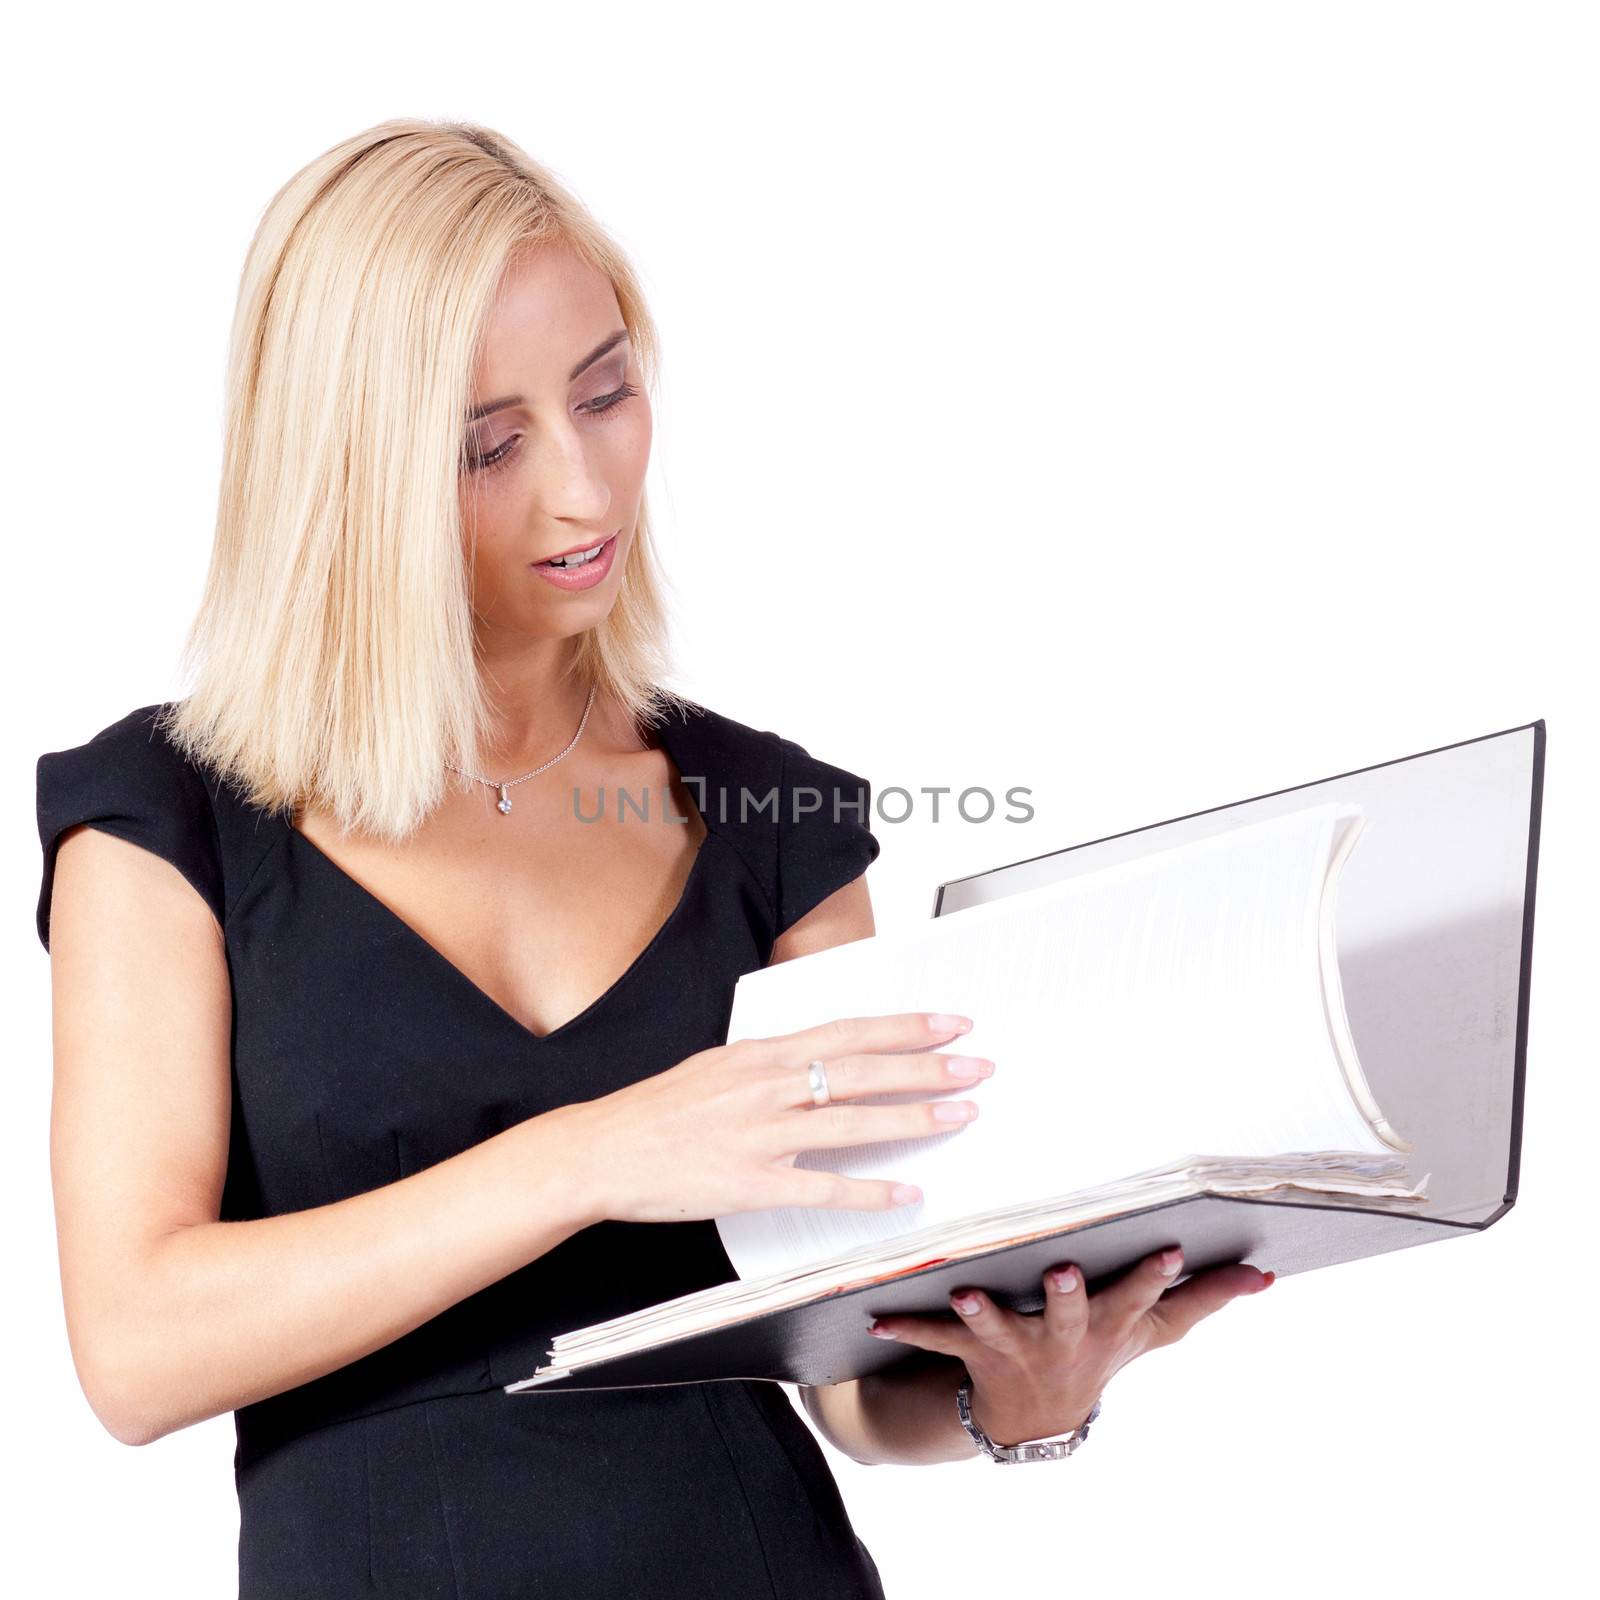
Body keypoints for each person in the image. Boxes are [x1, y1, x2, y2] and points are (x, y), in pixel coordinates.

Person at [33, 118, 1273, 1599]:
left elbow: (860, 1382)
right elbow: (137, 1348)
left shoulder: (769, 819)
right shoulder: (170, 818)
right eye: (490, 445)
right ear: (344, 478)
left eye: (606, 393)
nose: (586, 488)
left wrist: (1016, 1398)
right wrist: (588, 1156)